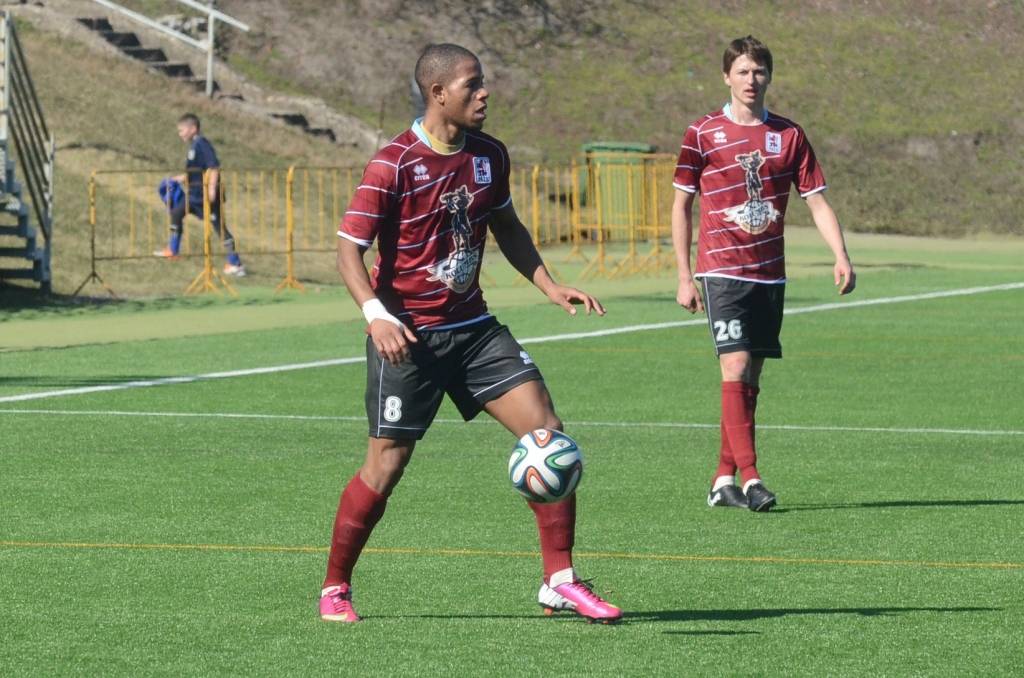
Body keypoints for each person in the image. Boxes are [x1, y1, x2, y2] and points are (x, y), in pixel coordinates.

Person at [320, 43, 622, 624]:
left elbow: (507, 225)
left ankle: (559, 580)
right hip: (408, 337)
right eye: (472, 84)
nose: (484, 93)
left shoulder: (489, 154)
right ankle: (335, 587)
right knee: (386, 465)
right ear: (438, 94)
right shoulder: (393, 164)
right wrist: (376, 315)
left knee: (548, 432)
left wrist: (548, 284)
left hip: (475, 329)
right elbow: (347, 250)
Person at [671, 36, 856, 512]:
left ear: (769, 76)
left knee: (749, 377)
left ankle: (722, 479)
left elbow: (816, 201)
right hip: (721, 271)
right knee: (734, 366)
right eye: (742, 71)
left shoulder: (789, 136)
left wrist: (840, 254)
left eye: (758, 71)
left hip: (769, 274)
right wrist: (684, 274)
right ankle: (752, 479)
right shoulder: (702, 133)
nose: (751, 80)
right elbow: (681, 205)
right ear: (726, 77)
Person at [154, 113, 245, 277]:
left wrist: (211, 190)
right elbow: (195, 172)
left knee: (219, 227)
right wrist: (177, 179)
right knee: (176, 212)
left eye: (182, 130)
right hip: (194, 195)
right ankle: (173, 250)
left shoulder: (202, 144)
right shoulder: (193, 147)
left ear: (193, 128)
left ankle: (235, 263)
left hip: (206, 197)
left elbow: (214, 168)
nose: (180, 134)